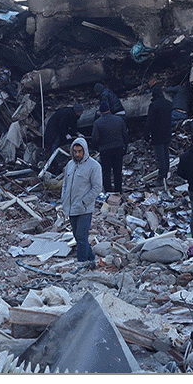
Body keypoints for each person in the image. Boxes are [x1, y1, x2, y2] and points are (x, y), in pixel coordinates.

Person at [60, 136, 102, 266]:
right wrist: (63, 199)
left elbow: (97, 187)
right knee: (78, 237)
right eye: (75, 151)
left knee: (82, 238)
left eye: (80, 151)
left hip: (84, 208)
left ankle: (82, 264)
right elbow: (65, 184)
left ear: (85, 151)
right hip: (71, 208)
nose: (77, 154)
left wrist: (85, 202)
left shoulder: (94, 166)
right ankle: (91, 260)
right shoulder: (70, 165)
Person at [91, 98, 128, 195]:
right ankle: (118, 190)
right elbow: (125, 135)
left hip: (105, 150)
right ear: (109, 110)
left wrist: (96, 148)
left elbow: (95, 139)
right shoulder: (119, 120)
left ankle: (108, 191)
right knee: (117, 170)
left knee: (106, 171)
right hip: (118, 148)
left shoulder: (97, 123)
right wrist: (125, 147)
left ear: (100, 112)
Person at [146, 86, 173, 187]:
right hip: (167, 132)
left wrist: (146, 134)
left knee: (160, 157)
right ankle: (165, 175)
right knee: (166, 155)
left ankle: (160, 178)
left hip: (157, 134)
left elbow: (149, 121)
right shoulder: (168, 104)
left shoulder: (153, 105)